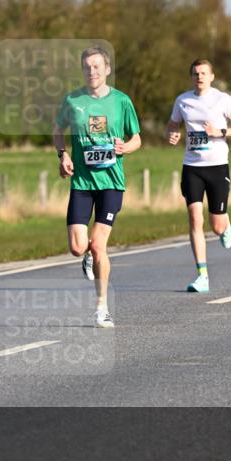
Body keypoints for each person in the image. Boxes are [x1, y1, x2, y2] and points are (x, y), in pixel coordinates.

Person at [54, 46, 141, 328]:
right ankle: (88, 257)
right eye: (87, 67)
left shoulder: (121, 101)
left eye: (96, 66)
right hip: (81, 182)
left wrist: (125, 147)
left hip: (111, 184)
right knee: (78, 247)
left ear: (107, 70)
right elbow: (58, 130)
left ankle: (102, 307)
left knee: (98, 245)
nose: (92, 71)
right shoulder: (72, 100)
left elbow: (136, 138)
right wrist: (63, 154)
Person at [167, 58, 231, 293]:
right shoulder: (182, 101)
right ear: (191, 76)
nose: (199, 77)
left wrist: (220, 131)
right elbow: (172, 125)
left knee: (216, 226)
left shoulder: (222, 100)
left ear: (211, 76)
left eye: (204, 73)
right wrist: (172, 134)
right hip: (192, 167)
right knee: (195, 217)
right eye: (195, 73)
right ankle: (202, 275)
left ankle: (225, 225)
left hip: (217, 167)